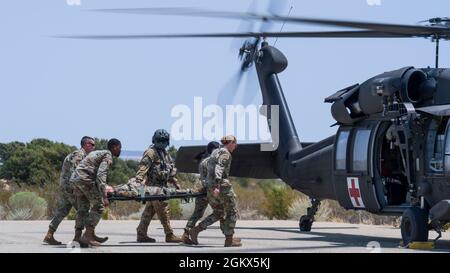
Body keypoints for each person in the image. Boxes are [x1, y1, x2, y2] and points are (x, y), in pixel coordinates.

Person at [189, 135, 242, 247]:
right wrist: (218, 185)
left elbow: (209, 170)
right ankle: (229, 240)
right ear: (230, 142)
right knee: (232, 212)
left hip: (210, 188)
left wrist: (212, 186)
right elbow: (219, 167)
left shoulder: (215, 152)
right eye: (235, 143)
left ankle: (196, 230)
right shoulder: (225, 153)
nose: (236, 146)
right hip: (222, 188)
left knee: (219, 213)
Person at [43, 136, 95, 245]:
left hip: (67, 188)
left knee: (62, 211)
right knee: (83, 210)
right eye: (92, 145)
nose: (94, 147)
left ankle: (49, 234)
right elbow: (76, 174)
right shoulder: (79, 155)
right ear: (86, 144)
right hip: (72, 189)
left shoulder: (78, 155)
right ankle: (84, 237)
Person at [70, 138, 122, 247]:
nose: (120, 150)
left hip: (75, 179)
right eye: (119, 148)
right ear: (115, 147)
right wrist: (104, 196)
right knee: (99, 205)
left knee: (83, 208)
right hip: (85, 179)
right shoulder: (108, 155)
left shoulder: (98, 153)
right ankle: (88, 236)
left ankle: (78, 237)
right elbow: (101, 175)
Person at [135, 129, 183, 243]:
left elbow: (169, 171)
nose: (162, 143)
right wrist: (138, 186)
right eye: (160, 140)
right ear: (154, 140)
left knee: (149, 211)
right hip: (154, 188)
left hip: (162, 186)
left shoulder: (165, 154)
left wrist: (175, 183)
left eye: (164, 141)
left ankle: (141, 233)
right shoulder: (151, 152)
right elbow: (142, 169)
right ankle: (169, 234)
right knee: (164, 209)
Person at [181, 141, 222, 244]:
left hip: (202, 190)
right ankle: (228, 237)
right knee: (221, 212)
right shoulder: (214, 162)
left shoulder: (203, 161)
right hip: (211, 191)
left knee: (197, 213)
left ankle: (186, 234)